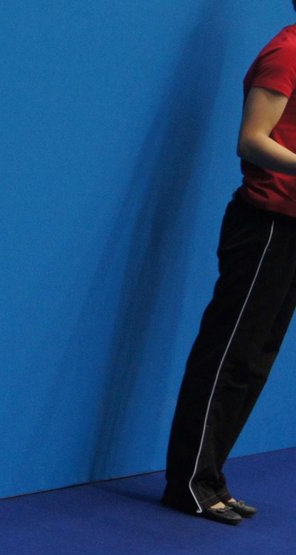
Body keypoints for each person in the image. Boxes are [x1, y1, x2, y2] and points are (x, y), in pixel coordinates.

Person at [163, 7, 296, 526]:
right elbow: (252, 140)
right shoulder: (286, 53)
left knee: (256, 358)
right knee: (227, 355)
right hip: (264, 227)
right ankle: (189, 484)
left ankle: (211, 479)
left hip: (290, 226)